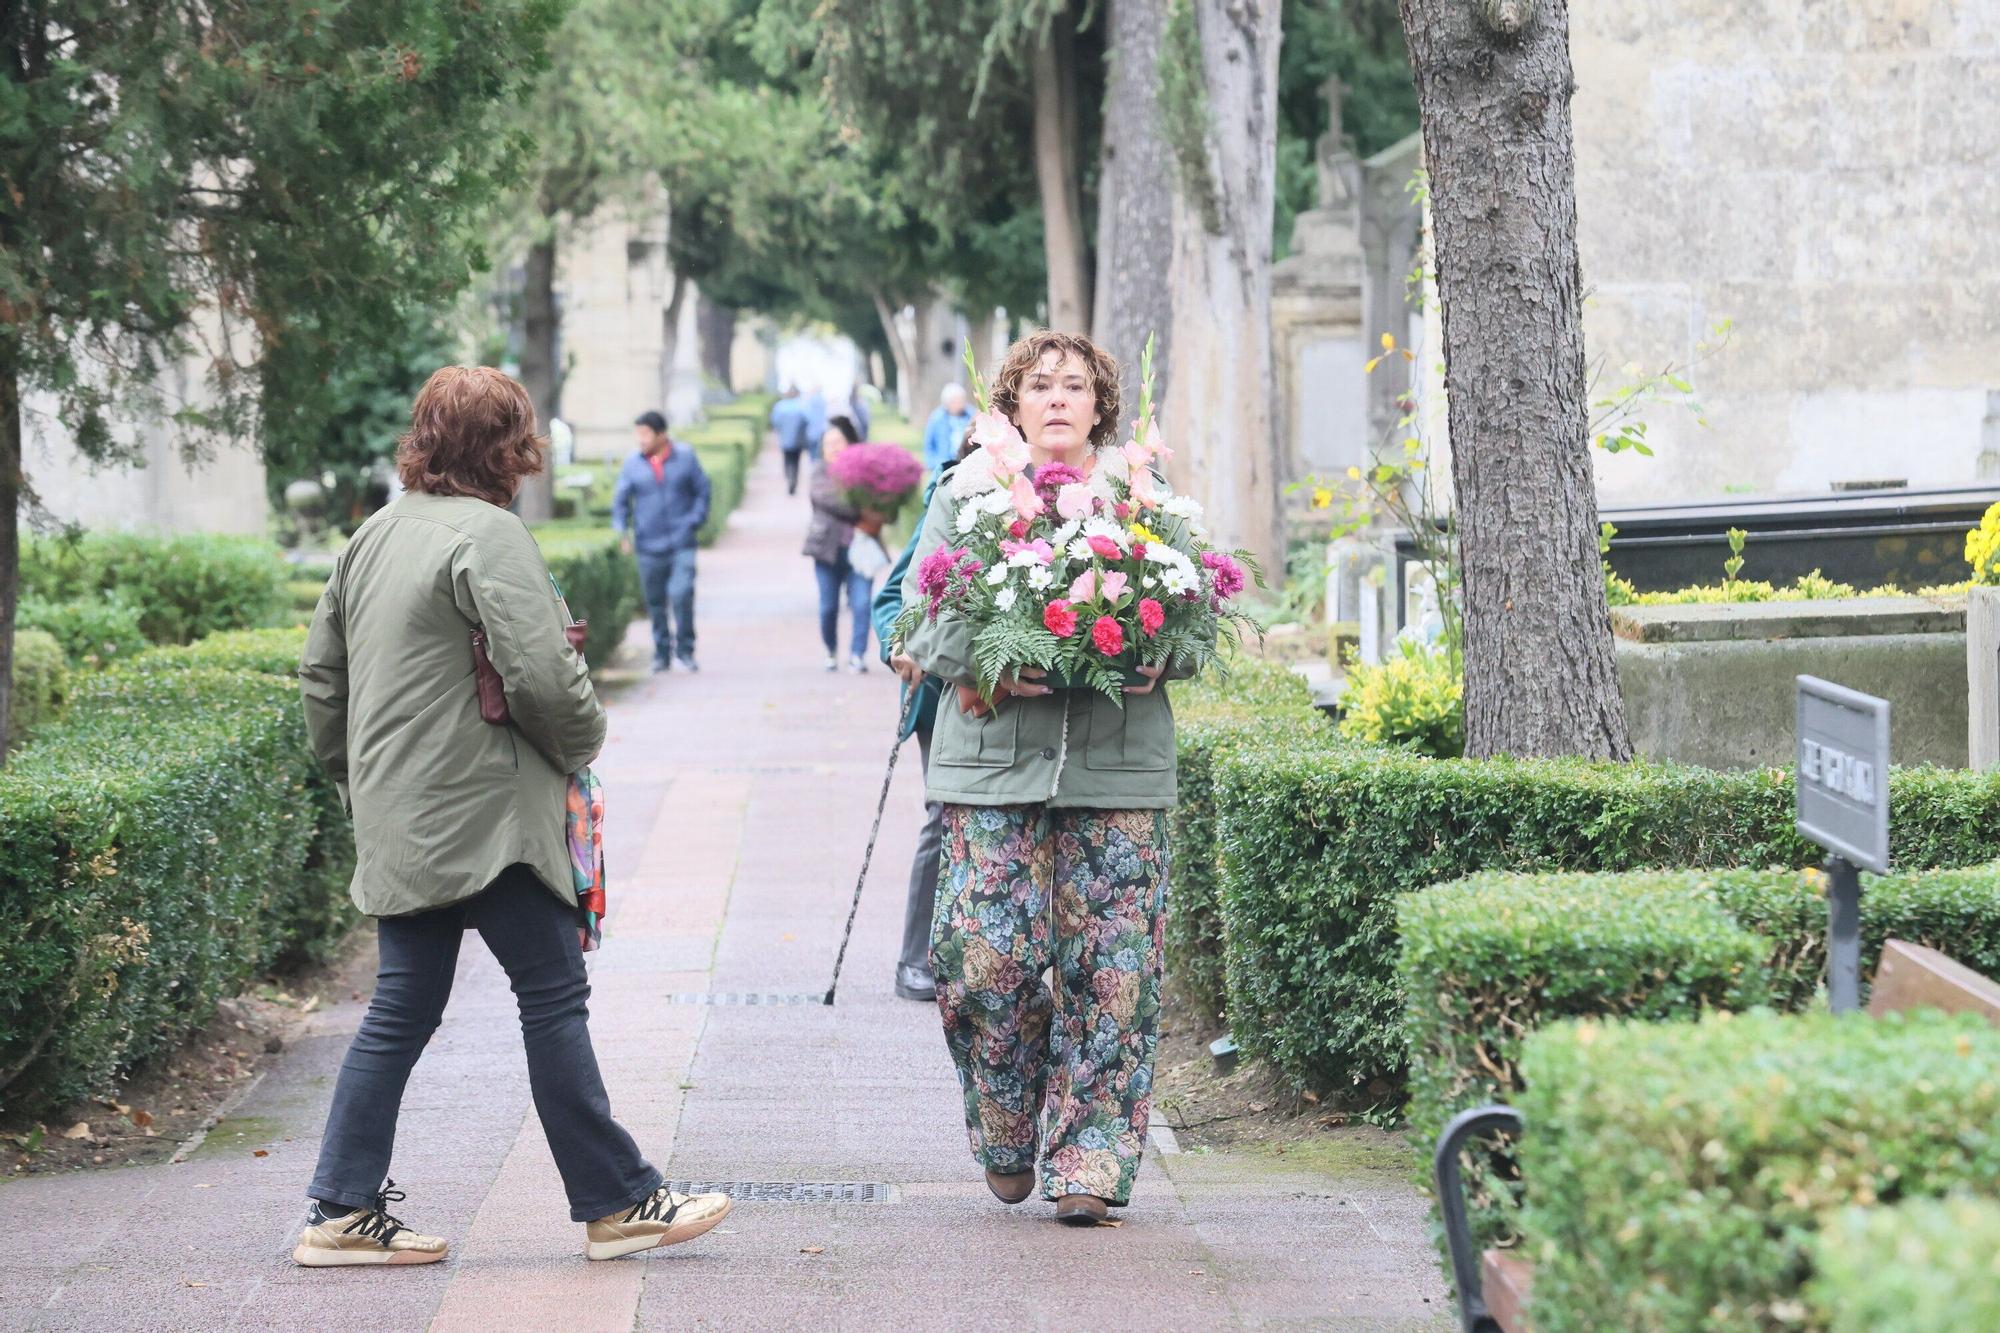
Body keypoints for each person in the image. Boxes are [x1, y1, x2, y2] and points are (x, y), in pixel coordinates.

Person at [294, 366, 730, 1267]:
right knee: (552, 996)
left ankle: (340, 1209)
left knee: (402, 1009)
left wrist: (361, 782)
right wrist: (583, 738)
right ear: (509, 448)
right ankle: (620, 1201)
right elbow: (541, 675)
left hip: (405, 816)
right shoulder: (489, 536)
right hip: (489, 821)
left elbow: (320, 681)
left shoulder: (371, 535)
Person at [897, 330, 1202, 1227]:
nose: (1059, 398)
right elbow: (921, 616)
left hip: (1118, 768)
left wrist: (1163, 651)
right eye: (1041, 385)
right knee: (982, 960)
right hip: (992, 769)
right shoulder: (968, 494)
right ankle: (1004, 1126)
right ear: (1013, 405)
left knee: (1113, 972)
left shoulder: (1144, 499)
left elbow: (1197, 609)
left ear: (1101, 406)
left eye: (1076, 385)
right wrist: (985, 661)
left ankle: (1091, 1161)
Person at [871, 429, 977, 1003]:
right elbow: (893, 595)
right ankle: (915, 959)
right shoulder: (952, 494)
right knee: (944, 812)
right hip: (943, 693)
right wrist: (901, 644)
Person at [613, 410, 711, 673]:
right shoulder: (632, 464)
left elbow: (703, 491)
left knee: (681, 594)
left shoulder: (686, 457)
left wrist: (694, 520)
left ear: (661, 434)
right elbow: (621, 503)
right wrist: (623, 532)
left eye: (645, 433)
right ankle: (662, 653)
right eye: (638, 434)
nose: (641, 439)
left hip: (682, 542)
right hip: (648, 545)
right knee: (655, 602)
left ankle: (686, 650)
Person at [803, 415, 878, 673]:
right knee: (828, 607)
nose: (834, 447)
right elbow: (830, 501)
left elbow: (881, 500)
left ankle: (857, 654)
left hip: (860, 548)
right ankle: (831, 649)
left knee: (861, 604)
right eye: (828, 443)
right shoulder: (818, 472)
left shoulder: (864, 471)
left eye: (838, 442)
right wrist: (861, 508)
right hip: (827, 550)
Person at [922, 384, 974, 476]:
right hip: (943, 465)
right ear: (947, 402)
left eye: (961, 400)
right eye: (955, 401)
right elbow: (928, 444)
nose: (959, 403)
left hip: (967, 464)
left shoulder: (972, 415)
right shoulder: (936, 418)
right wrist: (933, 464)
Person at [770, 385, 811, 495]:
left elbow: (774, 421)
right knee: (796, 461)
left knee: (787, 459)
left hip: (785, 439)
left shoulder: (780, 406)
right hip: (797, 439)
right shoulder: (801, 406)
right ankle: (793, 478)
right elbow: (807, 420)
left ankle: (789, 476)